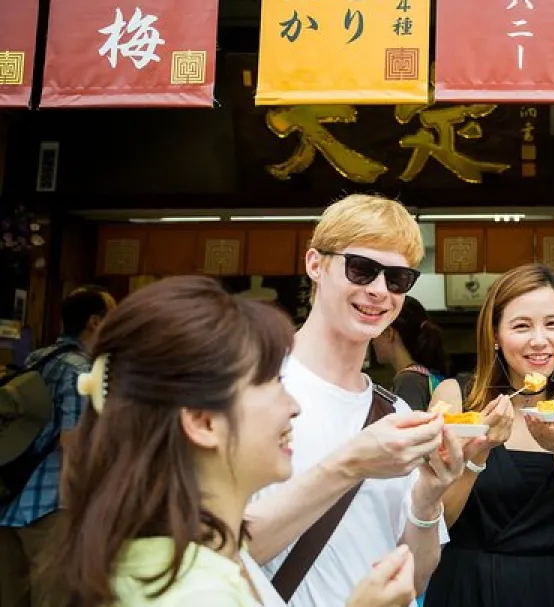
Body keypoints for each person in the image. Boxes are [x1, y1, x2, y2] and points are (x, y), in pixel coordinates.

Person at [33, 275, 417, 606]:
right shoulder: (193, 592)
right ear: (202, 422)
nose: (294, 407)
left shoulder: (198, 556)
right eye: (273, 383)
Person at [246, 194, 475, 607]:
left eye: (397, 279)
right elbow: (222, 555)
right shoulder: (254, 387)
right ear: (315, 264)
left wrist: (429, 494)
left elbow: (417, 579)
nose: (378, 292)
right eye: (361, 270)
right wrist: (353, 462)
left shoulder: (396, 415)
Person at [424, 263, 554, 607]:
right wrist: (478, 453)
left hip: (549, 589)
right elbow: (432, 522)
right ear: (495, 334)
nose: (539, 341)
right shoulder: (455, 399)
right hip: (464, 586)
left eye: (552, 324)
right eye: (521, 326)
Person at [0, 285, 115, 607]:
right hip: (51, 508)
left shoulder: (38, 357)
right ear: (94, 322)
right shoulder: (81, 372)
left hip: (10, 496)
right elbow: (73, 444)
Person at [373, 295, 450, 411]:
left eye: (376, 331)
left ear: (389, 333)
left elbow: (407, 427)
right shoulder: (427, 376)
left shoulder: (408, 381)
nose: (373, 341)